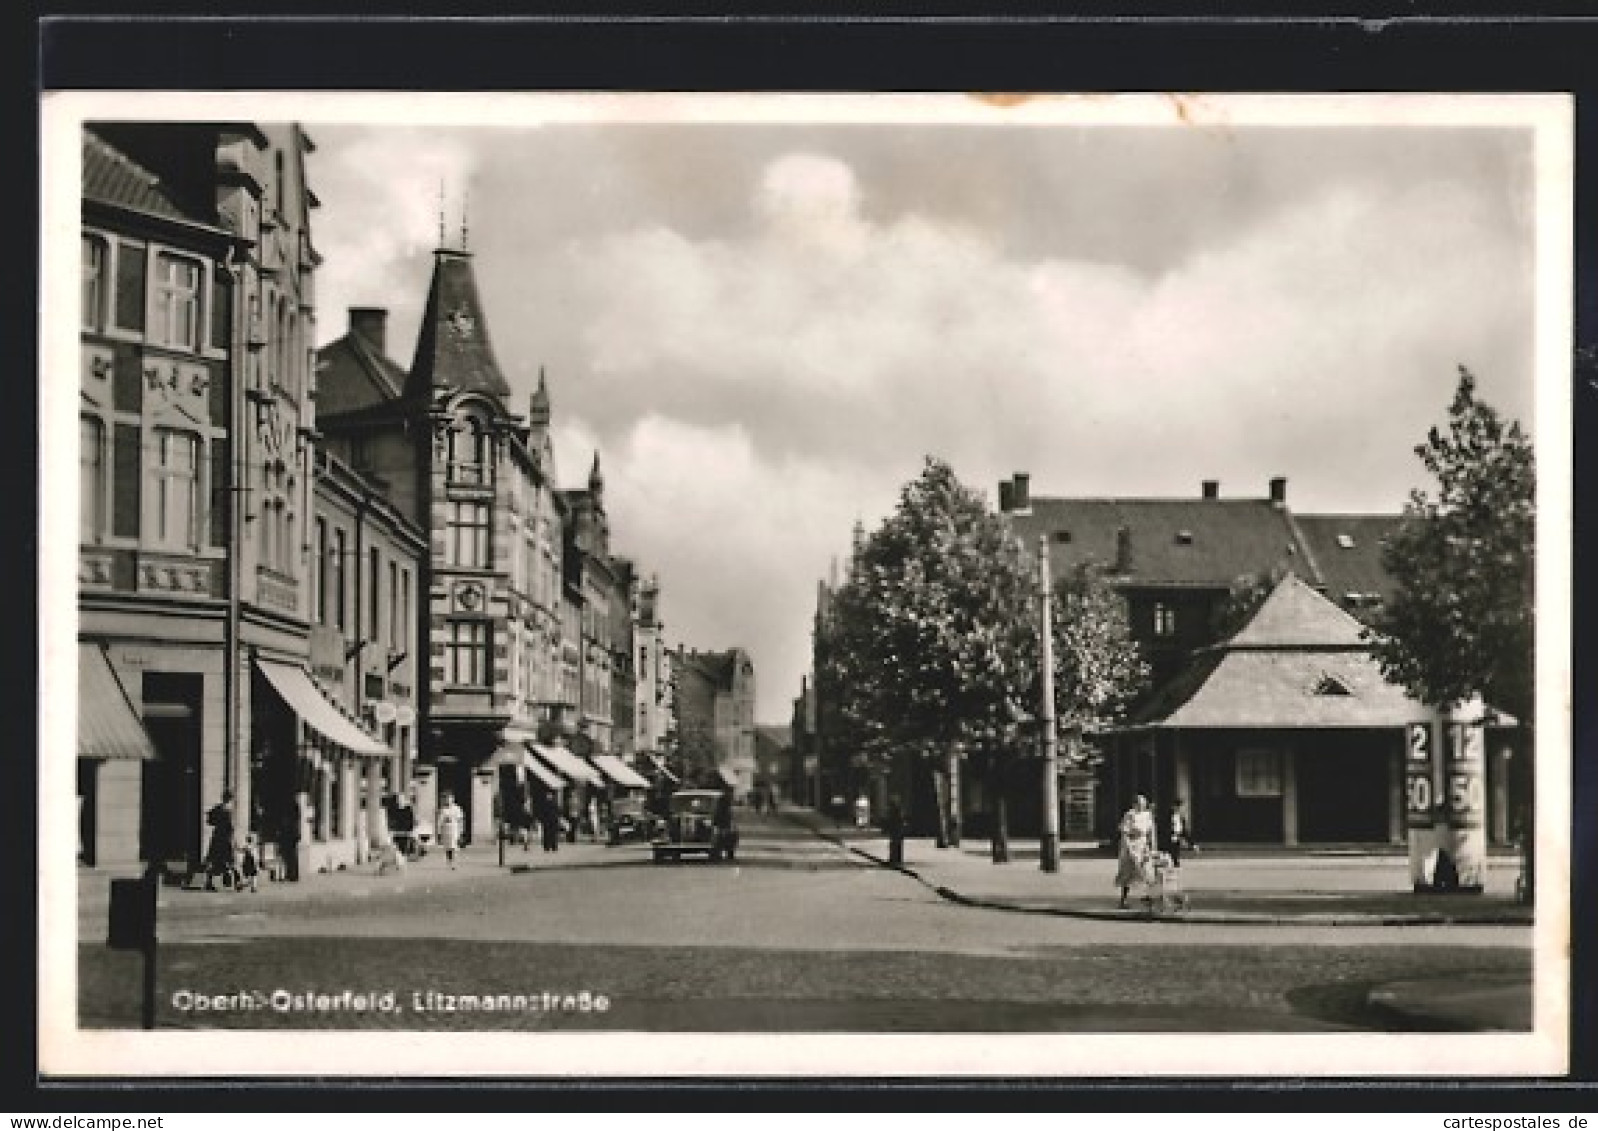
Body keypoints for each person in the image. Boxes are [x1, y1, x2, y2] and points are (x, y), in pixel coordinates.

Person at [1115, 794, 1157, 909]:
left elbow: (1151, 832)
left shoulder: (1148, 815)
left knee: (1148, 871)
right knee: (1128, 873)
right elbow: (1124, 833)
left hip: (1143, 845)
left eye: (1143, 804)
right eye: (1139, 804)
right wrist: (1129, 849)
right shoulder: (1129, 815)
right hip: (1131, 845)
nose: (1141, 806)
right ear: (1134, 804)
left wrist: (1152, 847)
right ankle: (1123, 900)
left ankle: (1148, 896)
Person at [203, 790, 238, 891]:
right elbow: (230, 827)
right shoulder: (227, 811)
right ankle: (237, 882)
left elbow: (210, 821)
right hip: (225, 839)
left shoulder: (217, 808)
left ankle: (208, 883)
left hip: (217, 837)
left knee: (214, 860)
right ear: (230, 799)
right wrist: (232, 839)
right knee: (230, 861)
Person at [436, 790, 464, 870]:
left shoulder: (457, 808)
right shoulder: (443, 809)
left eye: (449, 798)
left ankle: (454, 862)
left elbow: (460, 820)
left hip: (454, 829)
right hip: (445, 829)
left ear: (452, 799)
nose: (448, 800)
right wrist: (438, 832)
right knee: (447, 847)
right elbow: (439, 821)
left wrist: (461, 830)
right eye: (446, 798)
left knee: (454, 846)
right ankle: (449, 861)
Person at [884, 798, 906, 867]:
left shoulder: (893, 812)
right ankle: (897, 860)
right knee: (897, 845)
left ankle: (894, 860)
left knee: (894, 844)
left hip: (895, 830)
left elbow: (891, 821)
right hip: (898, 830)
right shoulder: (899, 811)